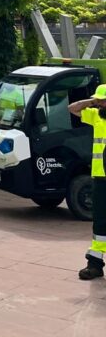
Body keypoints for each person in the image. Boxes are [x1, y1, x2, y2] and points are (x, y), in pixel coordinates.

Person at [70, 84, 106, 279]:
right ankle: (95, 264)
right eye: (99, 101)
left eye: (103, 101)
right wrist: (93, 101)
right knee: (100, 221)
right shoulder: (96, 115)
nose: (100, 105)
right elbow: (72, 109)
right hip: (100, 177)